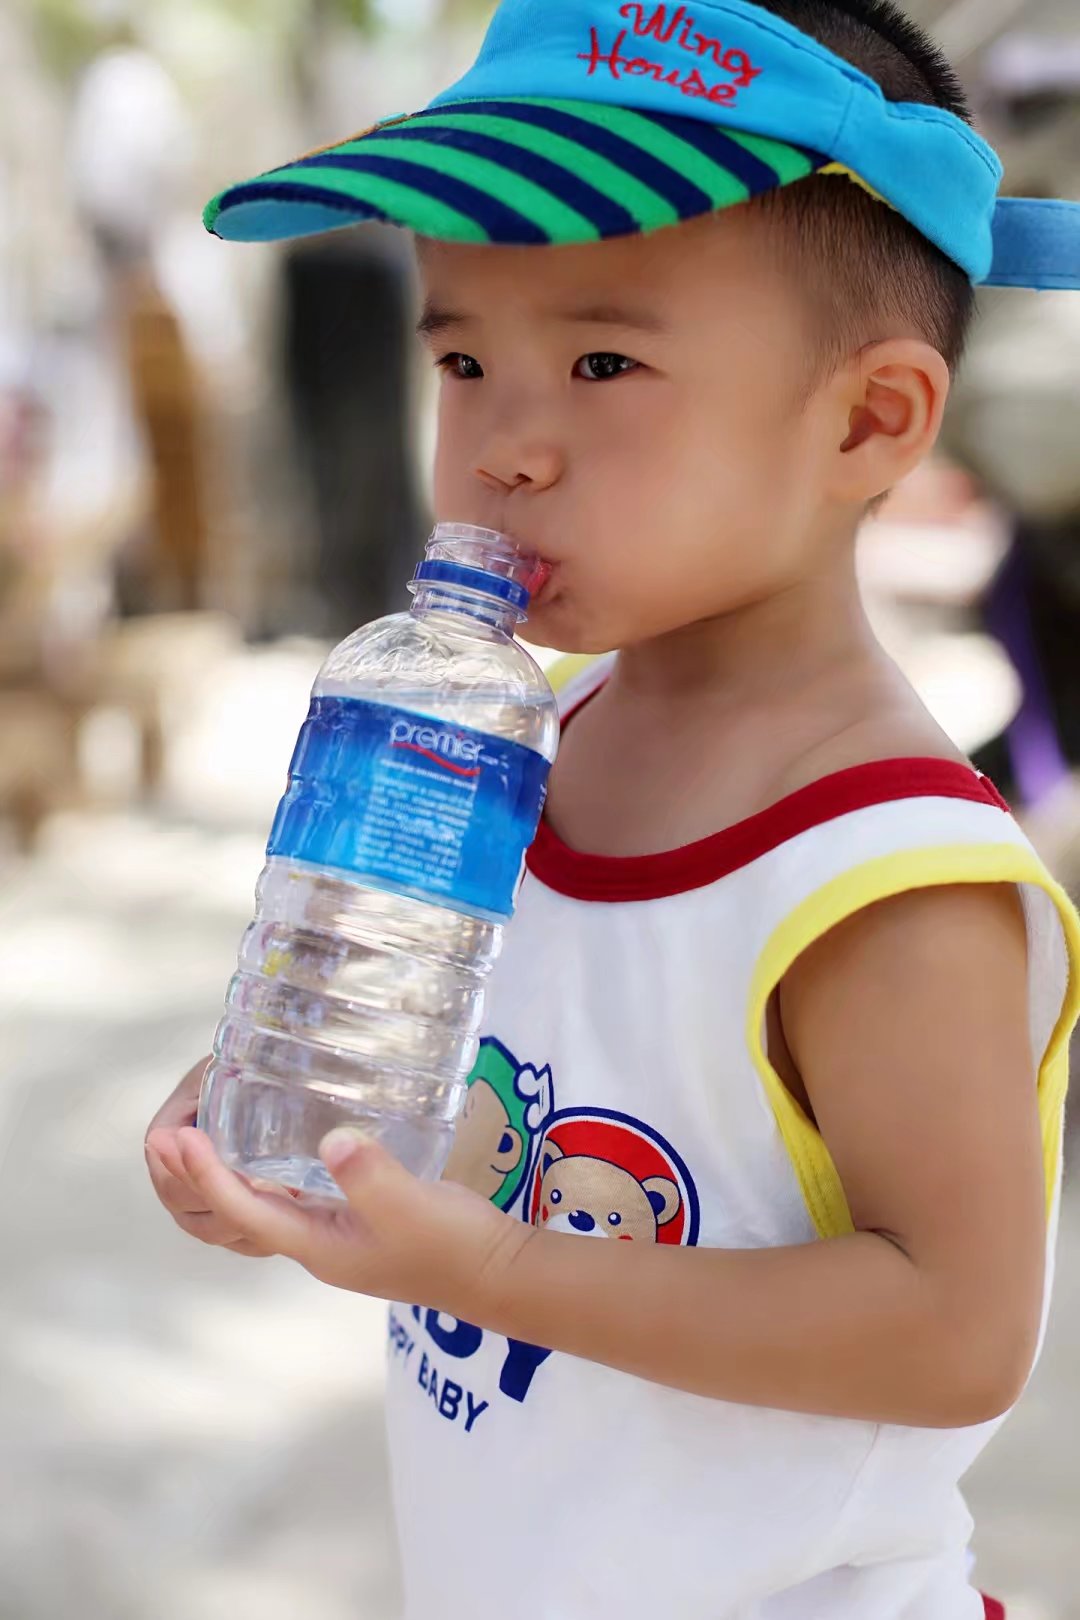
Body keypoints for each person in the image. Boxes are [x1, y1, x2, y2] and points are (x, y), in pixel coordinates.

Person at [144, 2, 1080, 1615]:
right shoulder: (531, 738)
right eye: (460, 359)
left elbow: (954, 1335)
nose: (504, 445)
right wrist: (295, 1090)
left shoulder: (885, 874)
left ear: (868, 420)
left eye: (602, 360)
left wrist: (488, 1271)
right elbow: (491, 1053)